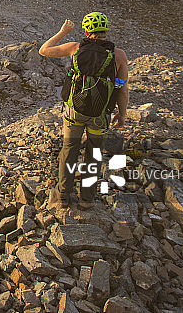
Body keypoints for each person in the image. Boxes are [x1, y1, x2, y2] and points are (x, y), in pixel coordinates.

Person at [38, 12, 128, 210]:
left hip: (74, 112)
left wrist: (63, 32)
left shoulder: (75, 48)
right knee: (94, 154)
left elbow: (44, 50)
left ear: (86, 31)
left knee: (69, 150)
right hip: (100, 115)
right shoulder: (118, 56)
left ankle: (63, 196)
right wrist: (121, 114)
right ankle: (87, 199)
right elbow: (122, 88)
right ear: (105, 31)